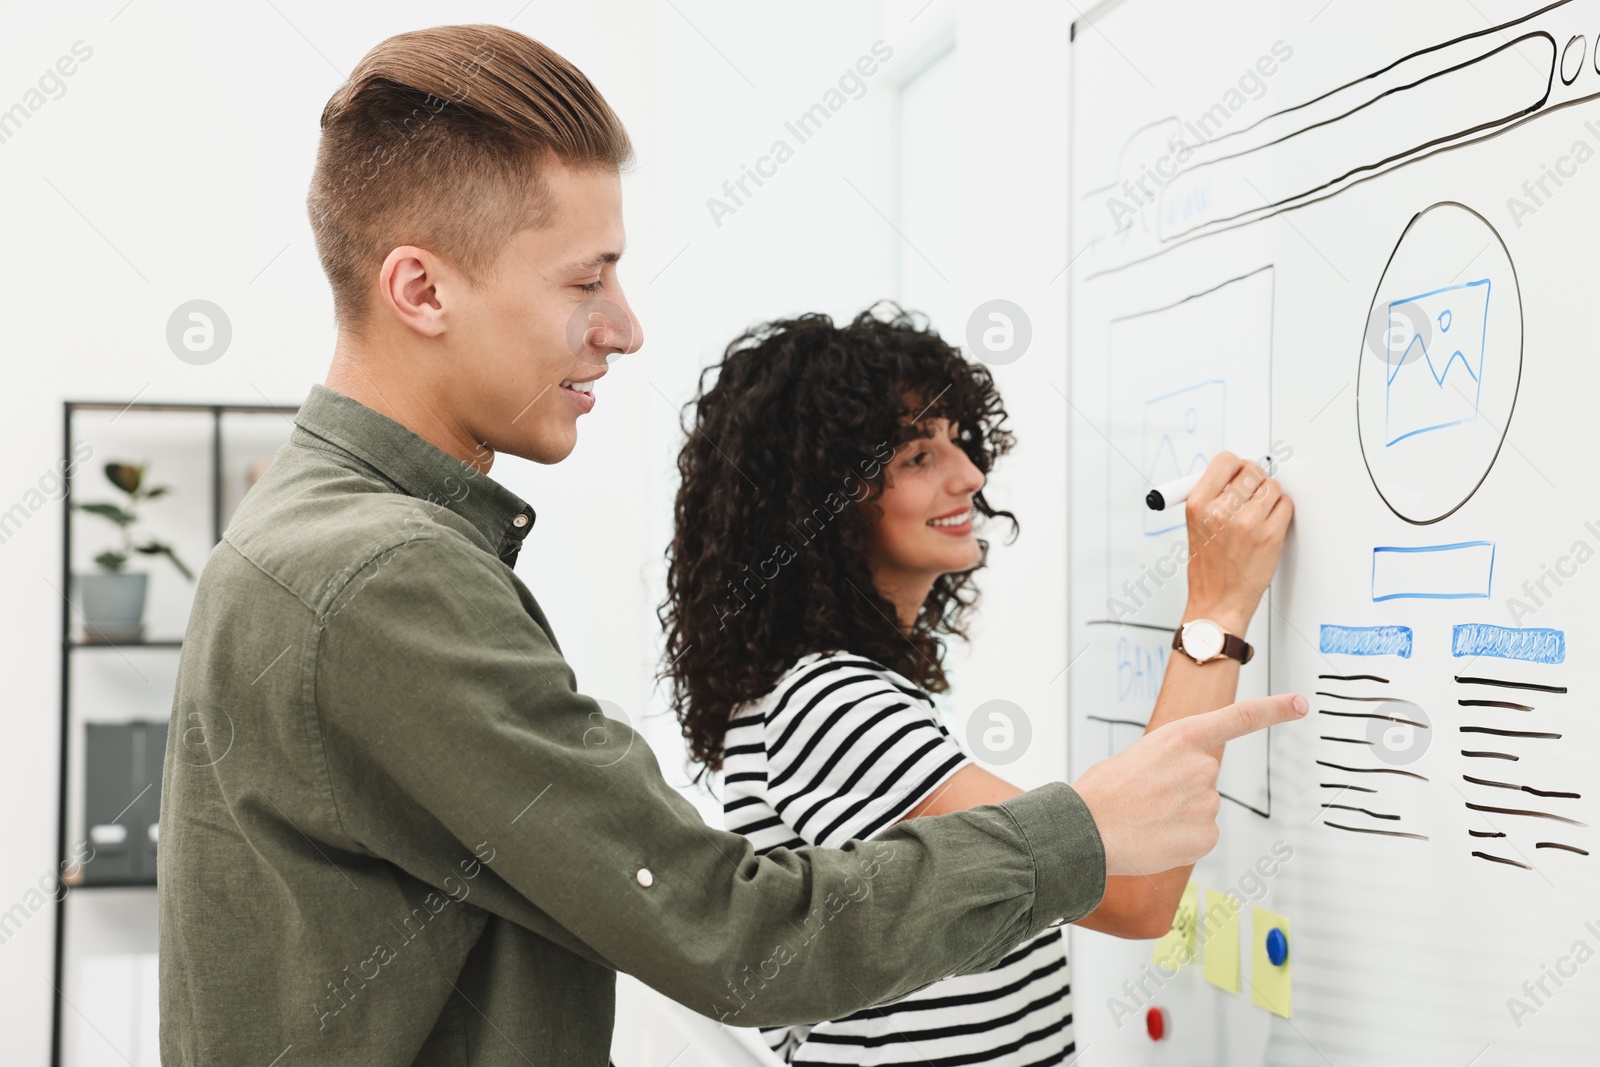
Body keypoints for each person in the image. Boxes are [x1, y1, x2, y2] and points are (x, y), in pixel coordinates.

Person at [156, 25, 1306, 1065]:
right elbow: (733, 933)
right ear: (420, 287)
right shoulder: (379, 576)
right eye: (584, 279)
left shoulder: (326, 541)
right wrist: (1088, 818)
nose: (623, 327)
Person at [660, 305, 1293, 1064]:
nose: (970, 475)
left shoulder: (811, 690)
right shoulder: (831, 703)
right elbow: (1138, 890)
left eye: (958, 441)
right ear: (823, 501)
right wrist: (1216, 607)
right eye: (917, 457)